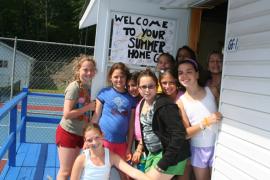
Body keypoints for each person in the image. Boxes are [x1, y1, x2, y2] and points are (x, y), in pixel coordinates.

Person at [137, 69, 190, 180]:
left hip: (169, 154)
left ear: (157, 87)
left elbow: (179, 134)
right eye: (143, 86)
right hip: (153, 153)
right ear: (139, 88)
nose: (147, 90)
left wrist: (164, 162)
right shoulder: (142, 102)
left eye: (151, 86)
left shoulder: (164, 105)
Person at [176, 59, 222, 180]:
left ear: (197, 74)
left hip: (219, 145)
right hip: (199, 149)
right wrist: (206, 122)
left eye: (189, 72)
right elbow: (186, 134)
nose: (184, 76)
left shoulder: (212, 91)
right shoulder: (180, 102)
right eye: (180, 73)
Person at [91, 62, 136, 180]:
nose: (119, 79)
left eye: (122, 76)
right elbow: (96, 116)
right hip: (104, 142)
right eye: (116, 76)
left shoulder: (131, 99)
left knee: (126, 175)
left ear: (126, 77)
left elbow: (131, 126)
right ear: (110, 77)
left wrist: (129, 147)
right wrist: (88, 139)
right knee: (100, 173)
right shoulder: (104, 93)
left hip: (121, 144)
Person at [56, 55, 97, 180]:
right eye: (85, 69)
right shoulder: (74, 87)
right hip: (68, 132)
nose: (88, 73)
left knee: (74, 170)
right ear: (78, 70)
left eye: (91, 70)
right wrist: (88, 107)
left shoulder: (88, 87)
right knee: (65, 171)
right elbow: (67, 114)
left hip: (80, 133)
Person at [70, 123, 151, 180]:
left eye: (97, 137)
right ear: (85, 141)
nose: (94, 142)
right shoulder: (81, 159)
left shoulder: (111, 157)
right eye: (89, 140)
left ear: (103, 135)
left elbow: (132, 171)